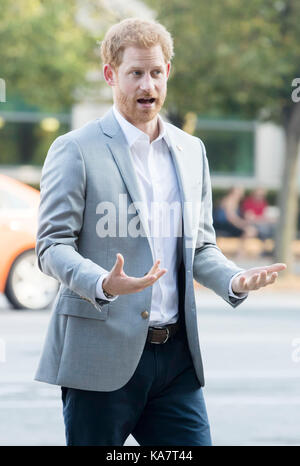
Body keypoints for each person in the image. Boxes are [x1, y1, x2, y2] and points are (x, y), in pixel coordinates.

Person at [34, 18, 286, 446]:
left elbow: (200, 246)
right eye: (135, 73)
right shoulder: (76, 149)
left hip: (176, 363)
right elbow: (51, 245)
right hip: (100, 354)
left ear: (167, 71)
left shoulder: (192, 152)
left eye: (155, 71)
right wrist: (101, 282)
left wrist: (233, 278)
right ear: (111, 74)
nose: (147, 84)